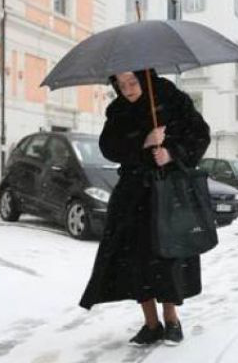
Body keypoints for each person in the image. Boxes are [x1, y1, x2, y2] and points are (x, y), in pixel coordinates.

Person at [79, 69, 211, 346]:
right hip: (133, 195)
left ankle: (172, 320)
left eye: (132, 82)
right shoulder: (117, 110)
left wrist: (172, 153)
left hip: (166, 193)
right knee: (136, 261)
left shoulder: (171, 98)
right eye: (121, 84)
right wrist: (144, 142)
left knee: (167, 256)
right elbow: (109, 147)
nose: (127, 89)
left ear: (144, 77)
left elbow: (200, 134)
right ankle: (151, 324)